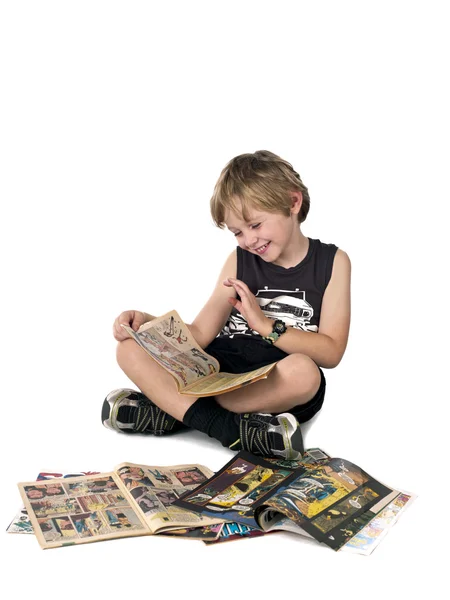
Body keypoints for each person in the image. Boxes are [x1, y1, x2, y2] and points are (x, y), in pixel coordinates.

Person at [102, 150, 351, 459]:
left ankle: (174, 410)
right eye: (237, 232)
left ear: (293, 202)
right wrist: (146, 323)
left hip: (274, 377)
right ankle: (229, 429)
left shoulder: (333, 262)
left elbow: (331, 352)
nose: (248, 240)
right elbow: (199, 334)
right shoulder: (239, 261)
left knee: (306, 373)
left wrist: (264, 326)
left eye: (256, 225)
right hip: (221, 369)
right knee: (127, 349)